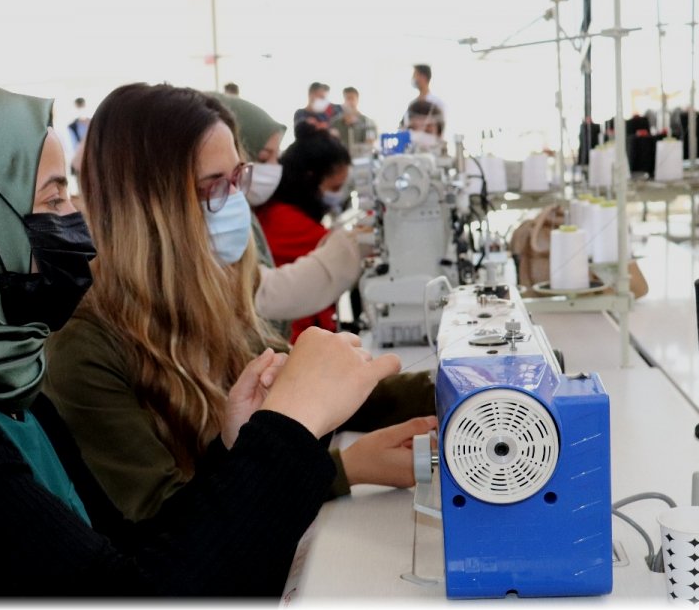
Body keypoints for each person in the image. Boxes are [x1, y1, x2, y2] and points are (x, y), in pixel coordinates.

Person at [0, 77, 400, 598]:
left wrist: (240, 450)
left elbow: (128, 555)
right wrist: (284, 433)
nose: (77, 228)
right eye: (54, 198)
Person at [44, 83, 434, 523]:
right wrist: (343, 471)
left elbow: (310, 394)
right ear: (150, 207)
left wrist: (453, 389)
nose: (235, 203)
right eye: (214, 186)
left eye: (237, 178)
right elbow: (167, 524)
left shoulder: (212, 295)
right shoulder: (83, 350)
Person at [207, 93, 362, 336]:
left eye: (239, 175)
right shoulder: (279, 219)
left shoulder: (250, 218)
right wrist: (357, 245)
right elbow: (267, 292)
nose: (274, 168)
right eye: (262, 158)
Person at [256, 128, 353, 342]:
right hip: (294, 338)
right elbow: (341, 253)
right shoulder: (286, 221)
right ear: (311, 177)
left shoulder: (275, 210)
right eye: (335, 186)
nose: (339, 194)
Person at [330, 86, 378, 155]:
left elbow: (369, 146)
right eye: (347, 98)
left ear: (357, 100)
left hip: (361, 161)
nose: (349, 102)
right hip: (340, 160)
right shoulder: (335, 123)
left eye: (352, 98)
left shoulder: (368, 122)